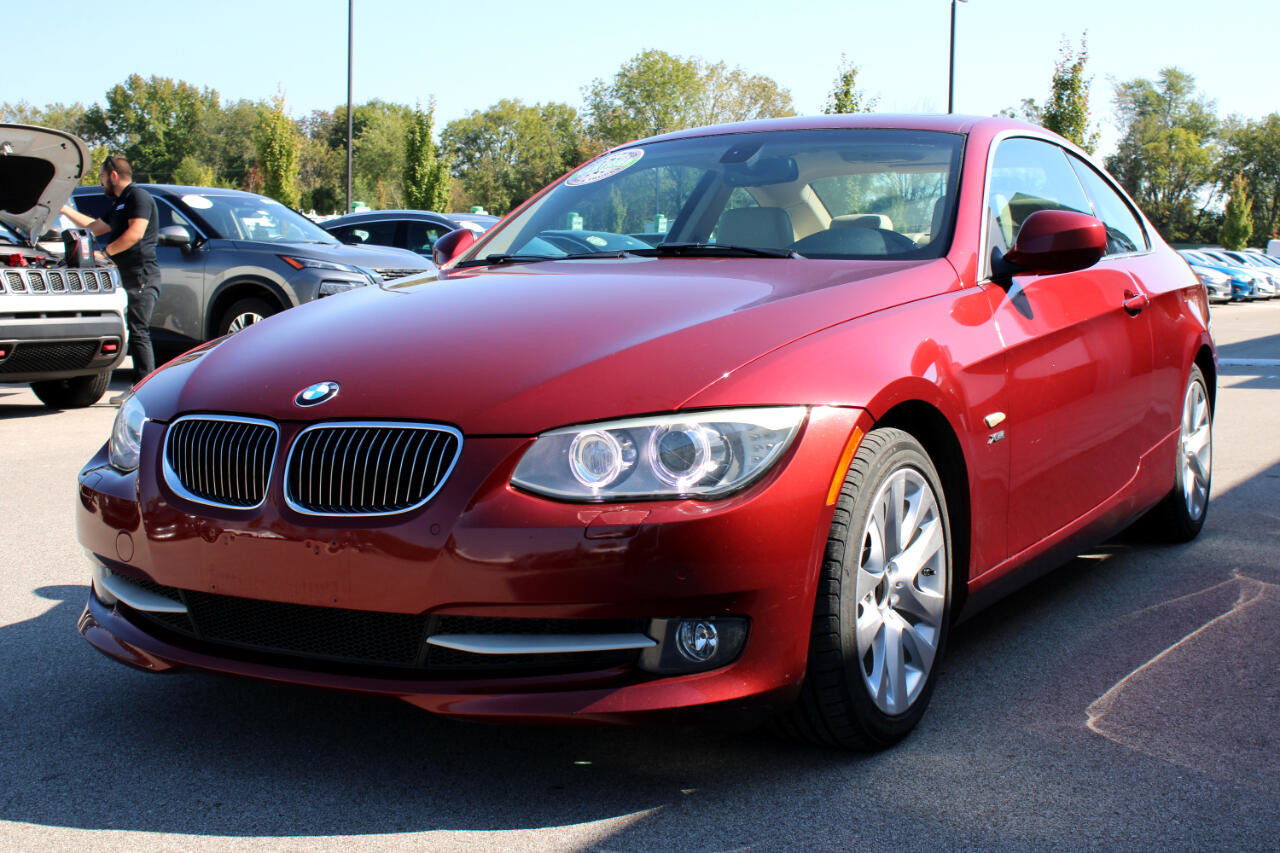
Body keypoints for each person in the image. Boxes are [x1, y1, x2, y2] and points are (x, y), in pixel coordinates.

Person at [60, 155, 160, 403]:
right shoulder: (120, 204)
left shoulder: (138, 197)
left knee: (139, 331)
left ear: (113, 175)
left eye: (103, 177)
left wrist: (104, 253)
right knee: (132, 330)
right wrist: (63, 209)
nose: (101, 182)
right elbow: (93, 227)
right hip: (126, 275)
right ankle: (140, 390)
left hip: (142, 274)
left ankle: (142, 392)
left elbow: (135, 233)